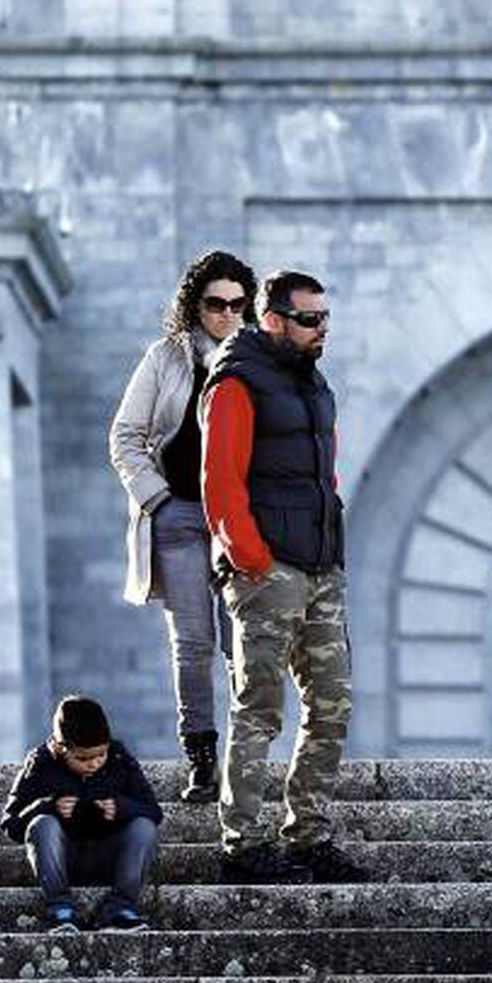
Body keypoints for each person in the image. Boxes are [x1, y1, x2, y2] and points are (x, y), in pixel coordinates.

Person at [201, 268, 360, 884]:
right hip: (268, 571)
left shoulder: (314, 385)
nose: (322, 329)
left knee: (333, 705)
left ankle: (308, 837)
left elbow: (326, 475)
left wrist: (331, 552)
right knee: (259, 709)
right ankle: (241, 844)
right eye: (310, 319)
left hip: (321, 568)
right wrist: (253, 562)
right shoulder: (237, 382)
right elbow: (219, 485)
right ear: (273, 320)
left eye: (326, 318)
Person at [107, 249, 260, 804]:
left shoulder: (260, 362)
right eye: (215, 304)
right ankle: (201, 761)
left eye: (238, 305)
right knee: (192, 643)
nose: (226, 315)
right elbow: (125, 435)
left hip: (239, 523)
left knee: (246, 640)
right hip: (180, 519)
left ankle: (248, 760)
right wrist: (158, 499)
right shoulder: (166, 358)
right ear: (195, 306)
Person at [0, 695, 162, 931]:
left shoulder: (118, 757)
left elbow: (153, 812)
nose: (94, 763)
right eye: (83, 758)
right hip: (61, 860)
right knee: (42, 823)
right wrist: (48, 806)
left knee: (144, 827)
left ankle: (121, 908)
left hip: (111, 857)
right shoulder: (40, 762)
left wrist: (122, 808)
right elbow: (10, 823)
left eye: (100, 755)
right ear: (59, 747)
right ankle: (61, 908)